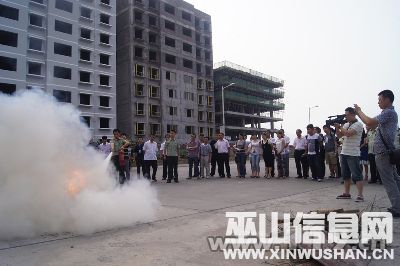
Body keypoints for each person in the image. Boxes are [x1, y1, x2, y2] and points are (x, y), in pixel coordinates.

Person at [355, 90, 400, 217]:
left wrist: (359, 111)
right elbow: (371, 124)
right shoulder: (388, 113)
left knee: (389, 181)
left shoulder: (389, 113)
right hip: (386, 152)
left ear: (387, 99)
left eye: (380, 99)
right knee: (395, 179)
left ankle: (397, 207)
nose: (378, 102)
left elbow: (368, 122)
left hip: (383, 153)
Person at [335, 107, 365, 202]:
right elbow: (340, 136)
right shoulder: (346, 124)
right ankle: (347, 193)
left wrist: (340, 127)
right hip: (344, 152)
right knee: (345, 175)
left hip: (353, 153)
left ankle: (360, 195)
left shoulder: (359, 124)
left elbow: (348, 133)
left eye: (347, 115)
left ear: (353, 114)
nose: (345, 117)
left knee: (357, 175)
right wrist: (337, 128)